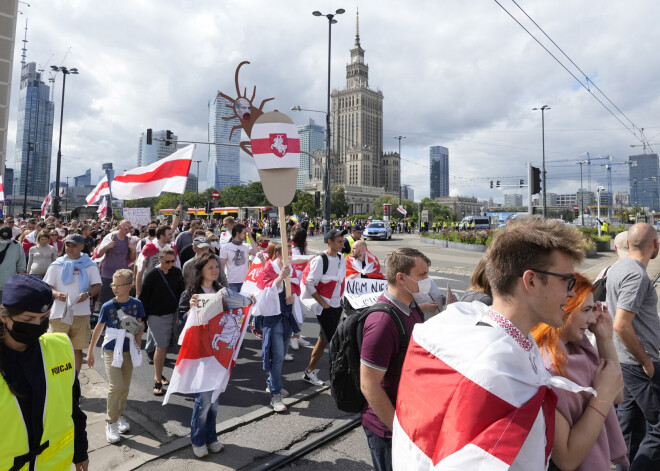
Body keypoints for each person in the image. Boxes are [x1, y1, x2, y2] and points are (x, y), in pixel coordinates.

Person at [393, 218, 596, 470]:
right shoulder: (497, 371)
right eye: (568, 281)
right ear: (531, 281)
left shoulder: (463, 333)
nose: (572, 293)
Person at [532, 273, 627, 470]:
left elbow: (617, 394)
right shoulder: (550, 369)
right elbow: (566, 459)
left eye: (593, 310)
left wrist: (605, 338)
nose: (593, 319)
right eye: (585, 310)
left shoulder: (576, 348)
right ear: (564, 309)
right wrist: (601, 396)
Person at [0, 275, 89, 470]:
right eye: (28, 318)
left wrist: (80, 449)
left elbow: (73, 406)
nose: (37, 324)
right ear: (4, 316)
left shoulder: (61, 347)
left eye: (44, 317)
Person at [359, 248, 428, 471]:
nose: (427, 281)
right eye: (422, 275)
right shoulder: (382, 322)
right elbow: (369, 385)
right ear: (401, 278)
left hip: (410, 420)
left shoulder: (411, 306)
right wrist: (398, 431)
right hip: (389, 431)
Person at [606, 223, 660, 469]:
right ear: (655, 245)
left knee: (630, 426)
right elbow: (621, 325)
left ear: (627, 244)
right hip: (640, 365)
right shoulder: (637, 275)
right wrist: (647, 362)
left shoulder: (617, 268)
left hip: (624, 361)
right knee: (658, 429)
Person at [177, 253, 229, 458]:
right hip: (199, 351)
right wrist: (190, 311)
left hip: (217, 351)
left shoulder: (221, 292)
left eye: (217, 267)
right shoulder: (190, 293)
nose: (216, 270)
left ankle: (211, 437)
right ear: (200, 271)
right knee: (204, 397)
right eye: (211, 268)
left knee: (214, 396)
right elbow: (181, 323)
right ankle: (198, 439)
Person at [87, 269, 145, 444]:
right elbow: (98, 329)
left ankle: (119, 416)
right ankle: (110, 422)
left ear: (129, 286)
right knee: (116, 385)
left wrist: (138, 345)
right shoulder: (107, 306)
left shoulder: (136, 304)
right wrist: (90, 352)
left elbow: (139, 327)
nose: (114, 288)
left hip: (128, 349)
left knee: (125, 387)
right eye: (112, 284)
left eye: (117, 285)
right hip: (111, 350)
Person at [44, 234, 101, 372]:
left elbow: (97, 286)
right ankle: (57, 380)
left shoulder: (90, 265)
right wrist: (56, 294)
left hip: (81, 314)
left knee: (77, 350)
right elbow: (47, 286)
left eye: (74, 245)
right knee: (57, 350)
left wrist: (87, 294)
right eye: (68, 245)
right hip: (59, 314)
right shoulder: (56, 265)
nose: (70, 248)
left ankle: (74, 382)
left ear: (82, 246)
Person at [253, 243, 300, 412]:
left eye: (291, 254)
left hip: (287, 317)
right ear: (279, 255)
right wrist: (280, 277)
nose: (290, 257)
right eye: (287, 254)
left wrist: (292, 297)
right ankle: (275, 395)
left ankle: (273, 384)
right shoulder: (269, 267)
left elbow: (295, 288)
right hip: (273, 319)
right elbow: (263, 292)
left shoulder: (291, 269)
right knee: (278, 355)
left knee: (282, 353)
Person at [300, 228, 347, 386]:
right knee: (335, 341)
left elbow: (340, 281)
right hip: (326, 308)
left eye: (343, 241)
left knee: (323, 341)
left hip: (336, 306)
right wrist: (324, 304)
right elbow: (309, 283)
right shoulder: (321, 260)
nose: (343, 244)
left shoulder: (341, 258)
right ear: (330, 242)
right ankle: (337, 376)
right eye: (339, 241)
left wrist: (339, 300)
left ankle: (309, 372)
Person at [139, 247, 185, 396]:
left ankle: (160, 375)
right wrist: (142, 320)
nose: (171, 264)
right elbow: (144, 299)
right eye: (167, 261)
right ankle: (157, 379)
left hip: (173, 315)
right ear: (159, 259)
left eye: (173, 261)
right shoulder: (152, 275)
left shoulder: (177, 273)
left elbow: (182, 294)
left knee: (169, 347)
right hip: (156, 316)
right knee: (161, 346)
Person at [94, 220, 138, 304]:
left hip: (122, 276)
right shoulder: (110, 237)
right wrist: (107, 247)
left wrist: (133, 250)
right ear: (119, 227)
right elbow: (98, 255)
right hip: (108, 276)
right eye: (126, 228)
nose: (128, 230)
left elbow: (132, 259)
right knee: (107, 302)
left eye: (130, 228)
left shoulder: (129, 240)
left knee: (121, 303)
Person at [136, 225, 178, 297]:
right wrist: (138, 293)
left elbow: (176, 267)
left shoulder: (172, 247)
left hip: (167, 287)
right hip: (151, 286)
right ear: (162, 236)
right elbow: (140, 271)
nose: (172, 236)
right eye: (169, 234)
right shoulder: (148, 248)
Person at [219, 223, 260, 293]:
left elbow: (257, 253)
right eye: (244, 233)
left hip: (245, 282)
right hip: (231, 283)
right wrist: (221, 282)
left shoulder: (246, 246)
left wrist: (250, 237)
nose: (245, 235)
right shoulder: (226, 247)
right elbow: (222, 266)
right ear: (237, 233)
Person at [0, 225, 27, 300]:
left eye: (6, 238)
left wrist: (21, 282)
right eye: (2, 238)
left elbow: (21, 265)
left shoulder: (17, 245)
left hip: (10, 283)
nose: (4, 240)